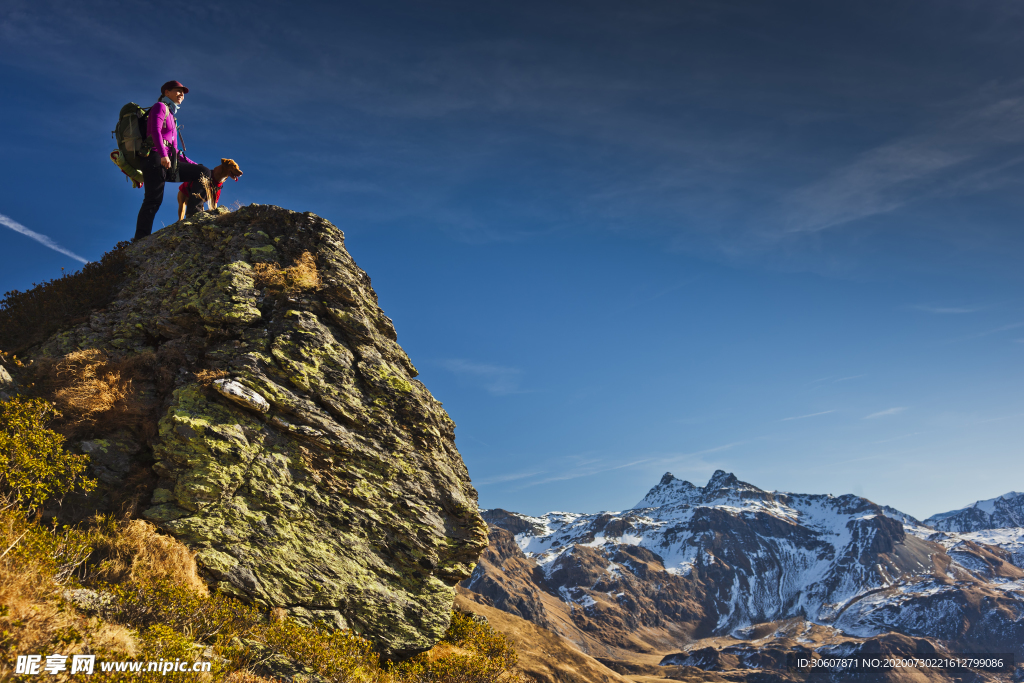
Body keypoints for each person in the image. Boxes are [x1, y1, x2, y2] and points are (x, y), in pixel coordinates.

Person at [134, 80, 212, 240]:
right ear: (166, 92)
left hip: (168, 160)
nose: (181, 94)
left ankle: (193, 214)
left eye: (183, 92)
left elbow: (175, 150)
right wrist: (163, 154)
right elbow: (154, 131)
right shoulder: (160, 107)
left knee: (203, 172)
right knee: (153, 200)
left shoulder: (172, 116)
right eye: (178, 91)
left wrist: (194, 165)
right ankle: (140, 239)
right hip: (154, 158)